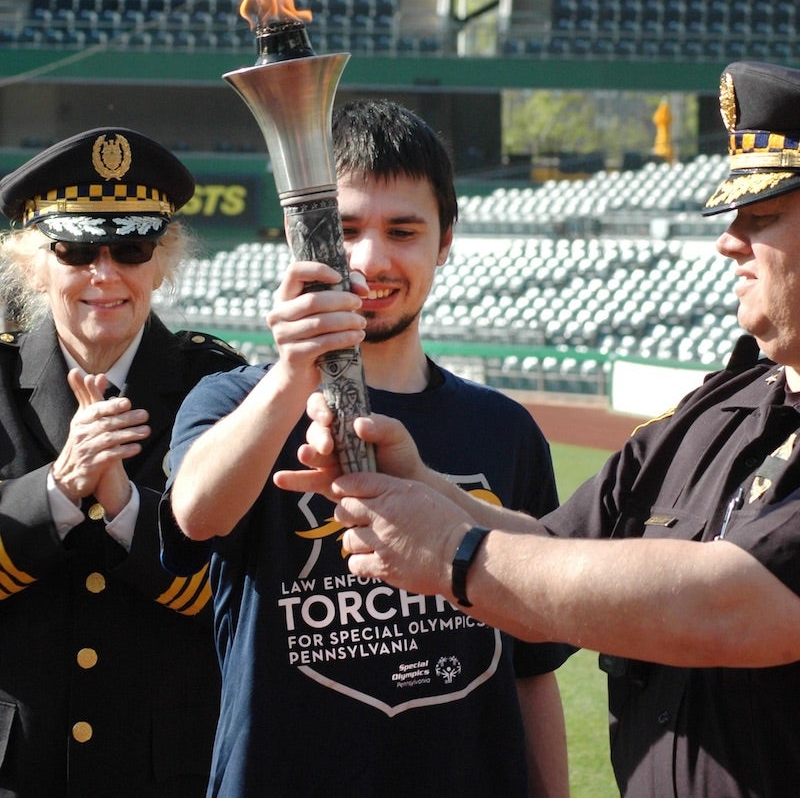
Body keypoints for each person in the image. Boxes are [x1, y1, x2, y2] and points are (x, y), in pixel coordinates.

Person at [277, 59, 800, 798]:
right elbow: (557, 548)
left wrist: (456, 555)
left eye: (761, 217)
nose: (727, 243)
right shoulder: (711, 413)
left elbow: (736, 603)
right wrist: (418, 481)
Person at [161, 99, 570, 798]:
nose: (370, 259)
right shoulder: (232, 401)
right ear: (300, 240)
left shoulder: (505, 428)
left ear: (446, 240)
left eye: (403, 230)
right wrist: (296, 371)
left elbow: (532, 667)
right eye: (343, 230)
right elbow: (196, 514)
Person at [0, 127, 246, 798]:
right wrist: (57, 489)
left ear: (160, 260)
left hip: (169, 773)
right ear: (35, 264)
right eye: (76, 249)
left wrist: (130, 513)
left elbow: (240, 592)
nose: (104, 273)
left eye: (132, 247)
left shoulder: (222, 390)